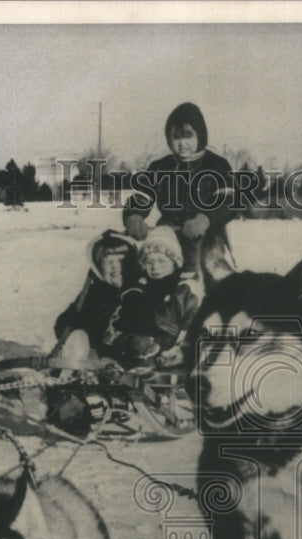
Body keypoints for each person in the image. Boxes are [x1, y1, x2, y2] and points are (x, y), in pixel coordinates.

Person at [123, 102, 234, 275]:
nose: (182, 144)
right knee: (147, 266)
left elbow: (228, 204)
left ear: (200, 136)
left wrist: (204, 220)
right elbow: (141, 198)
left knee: (205, 268)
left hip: (205, 234)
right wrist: (134, 217)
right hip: (168, 232)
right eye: (176, 137)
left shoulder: (217, 165)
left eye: (188, 136)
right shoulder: (160, 166)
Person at [104, 226, 200, 370]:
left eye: (161, 261)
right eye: (149, 262)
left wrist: (164, 352)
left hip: (173, 368)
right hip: (134, 367)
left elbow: (193, 333)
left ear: (175, 263)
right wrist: (130, 341)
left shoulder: (187, 291)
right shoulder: (135, 291)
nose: (155, 267)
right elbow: (112, 332)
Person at [48, 229, 138, 367]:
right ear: (99, 268)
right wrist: (73, 328)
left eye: (120, 260)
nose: (115, 267)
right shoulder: (95, 294)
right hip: (94, 361)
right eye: (109, 262)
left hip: (125, 361)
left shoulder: (139, 292)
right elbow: (64, 325)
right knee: (78, 337)